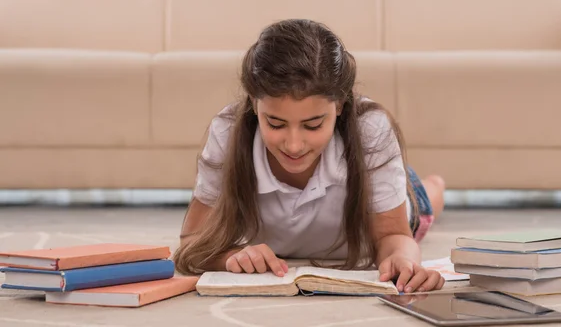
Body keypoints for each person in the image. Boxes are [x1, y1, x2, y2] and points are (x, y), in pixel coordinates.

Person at [174, 19, 446, 293]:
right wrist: (229, 256)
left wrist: (402, 259)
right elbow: (192, 241)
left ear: (339, 104)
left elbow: (393, 235)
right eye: (276, 124)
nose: (293, 146)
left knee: (424, 201)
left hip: (378, 193)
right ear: (255, 104)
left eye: (313, 125)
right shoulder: (228, 131)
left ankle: (433, 184)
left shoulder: (371, 132)